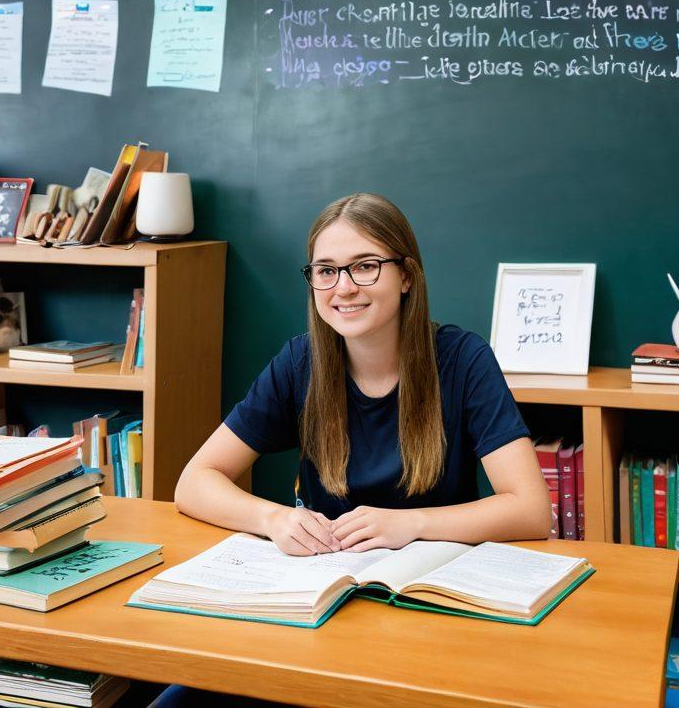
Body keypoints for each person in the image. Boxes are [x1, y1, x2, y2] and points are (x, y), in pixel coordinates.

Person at [155, 193, 551, 707]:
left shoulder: (462, 359)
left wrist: (413, 523)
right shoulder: (300, 362)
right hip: (323, 604)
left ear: (406, 275)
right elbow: (196, 480)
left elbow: (530, 509)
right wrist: (273, 519)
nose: (343, 288)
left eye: (365, 267)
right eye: (326, 270)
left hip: (429, 608)